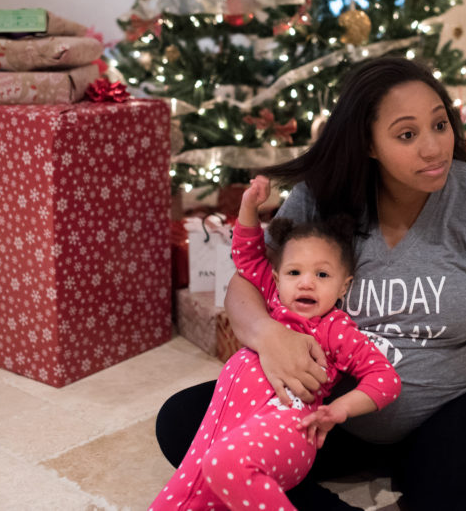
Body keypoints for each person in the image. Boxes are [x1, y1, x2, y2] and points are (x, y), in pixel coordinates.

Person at [156, 55, 466, 510]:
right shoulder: (321, 196)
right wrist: (268, 335)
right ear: (369, 144)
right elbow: (249, 284)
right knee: (183, 425)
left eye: (440, 125)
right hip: (329, 411)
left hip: (455, 407)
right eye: (407, 134)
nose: (434, 148)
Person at [150, 175, 401, 511]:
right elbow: (248, 256)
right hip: (227, 421)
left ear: (344, 287)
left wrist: (340, 409)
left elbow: (385, 378)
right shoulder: (272, 300)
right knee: (174, 499)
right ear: (278, 277)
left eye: (322, 275)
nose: (307, 283)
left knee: (224, 465)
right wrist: (248, 208)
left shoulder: (335, 330)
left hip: (288, 429)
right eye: (294, 273)